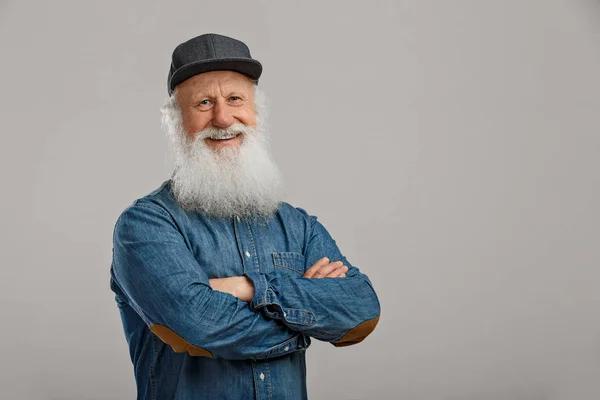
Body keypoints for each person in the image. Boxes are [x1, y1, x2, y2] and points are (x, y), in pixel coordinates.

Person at [110, 33, 381, 400]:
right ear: (176, 122)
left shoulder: (297, 225)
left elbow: (361, 311)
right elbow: (198, 328)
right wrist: (308, 319)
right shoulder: (145, 226)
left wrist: (248, 288)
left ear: (256, 111)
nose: (223, 118)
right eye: (204, 103)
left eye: (235, 99)